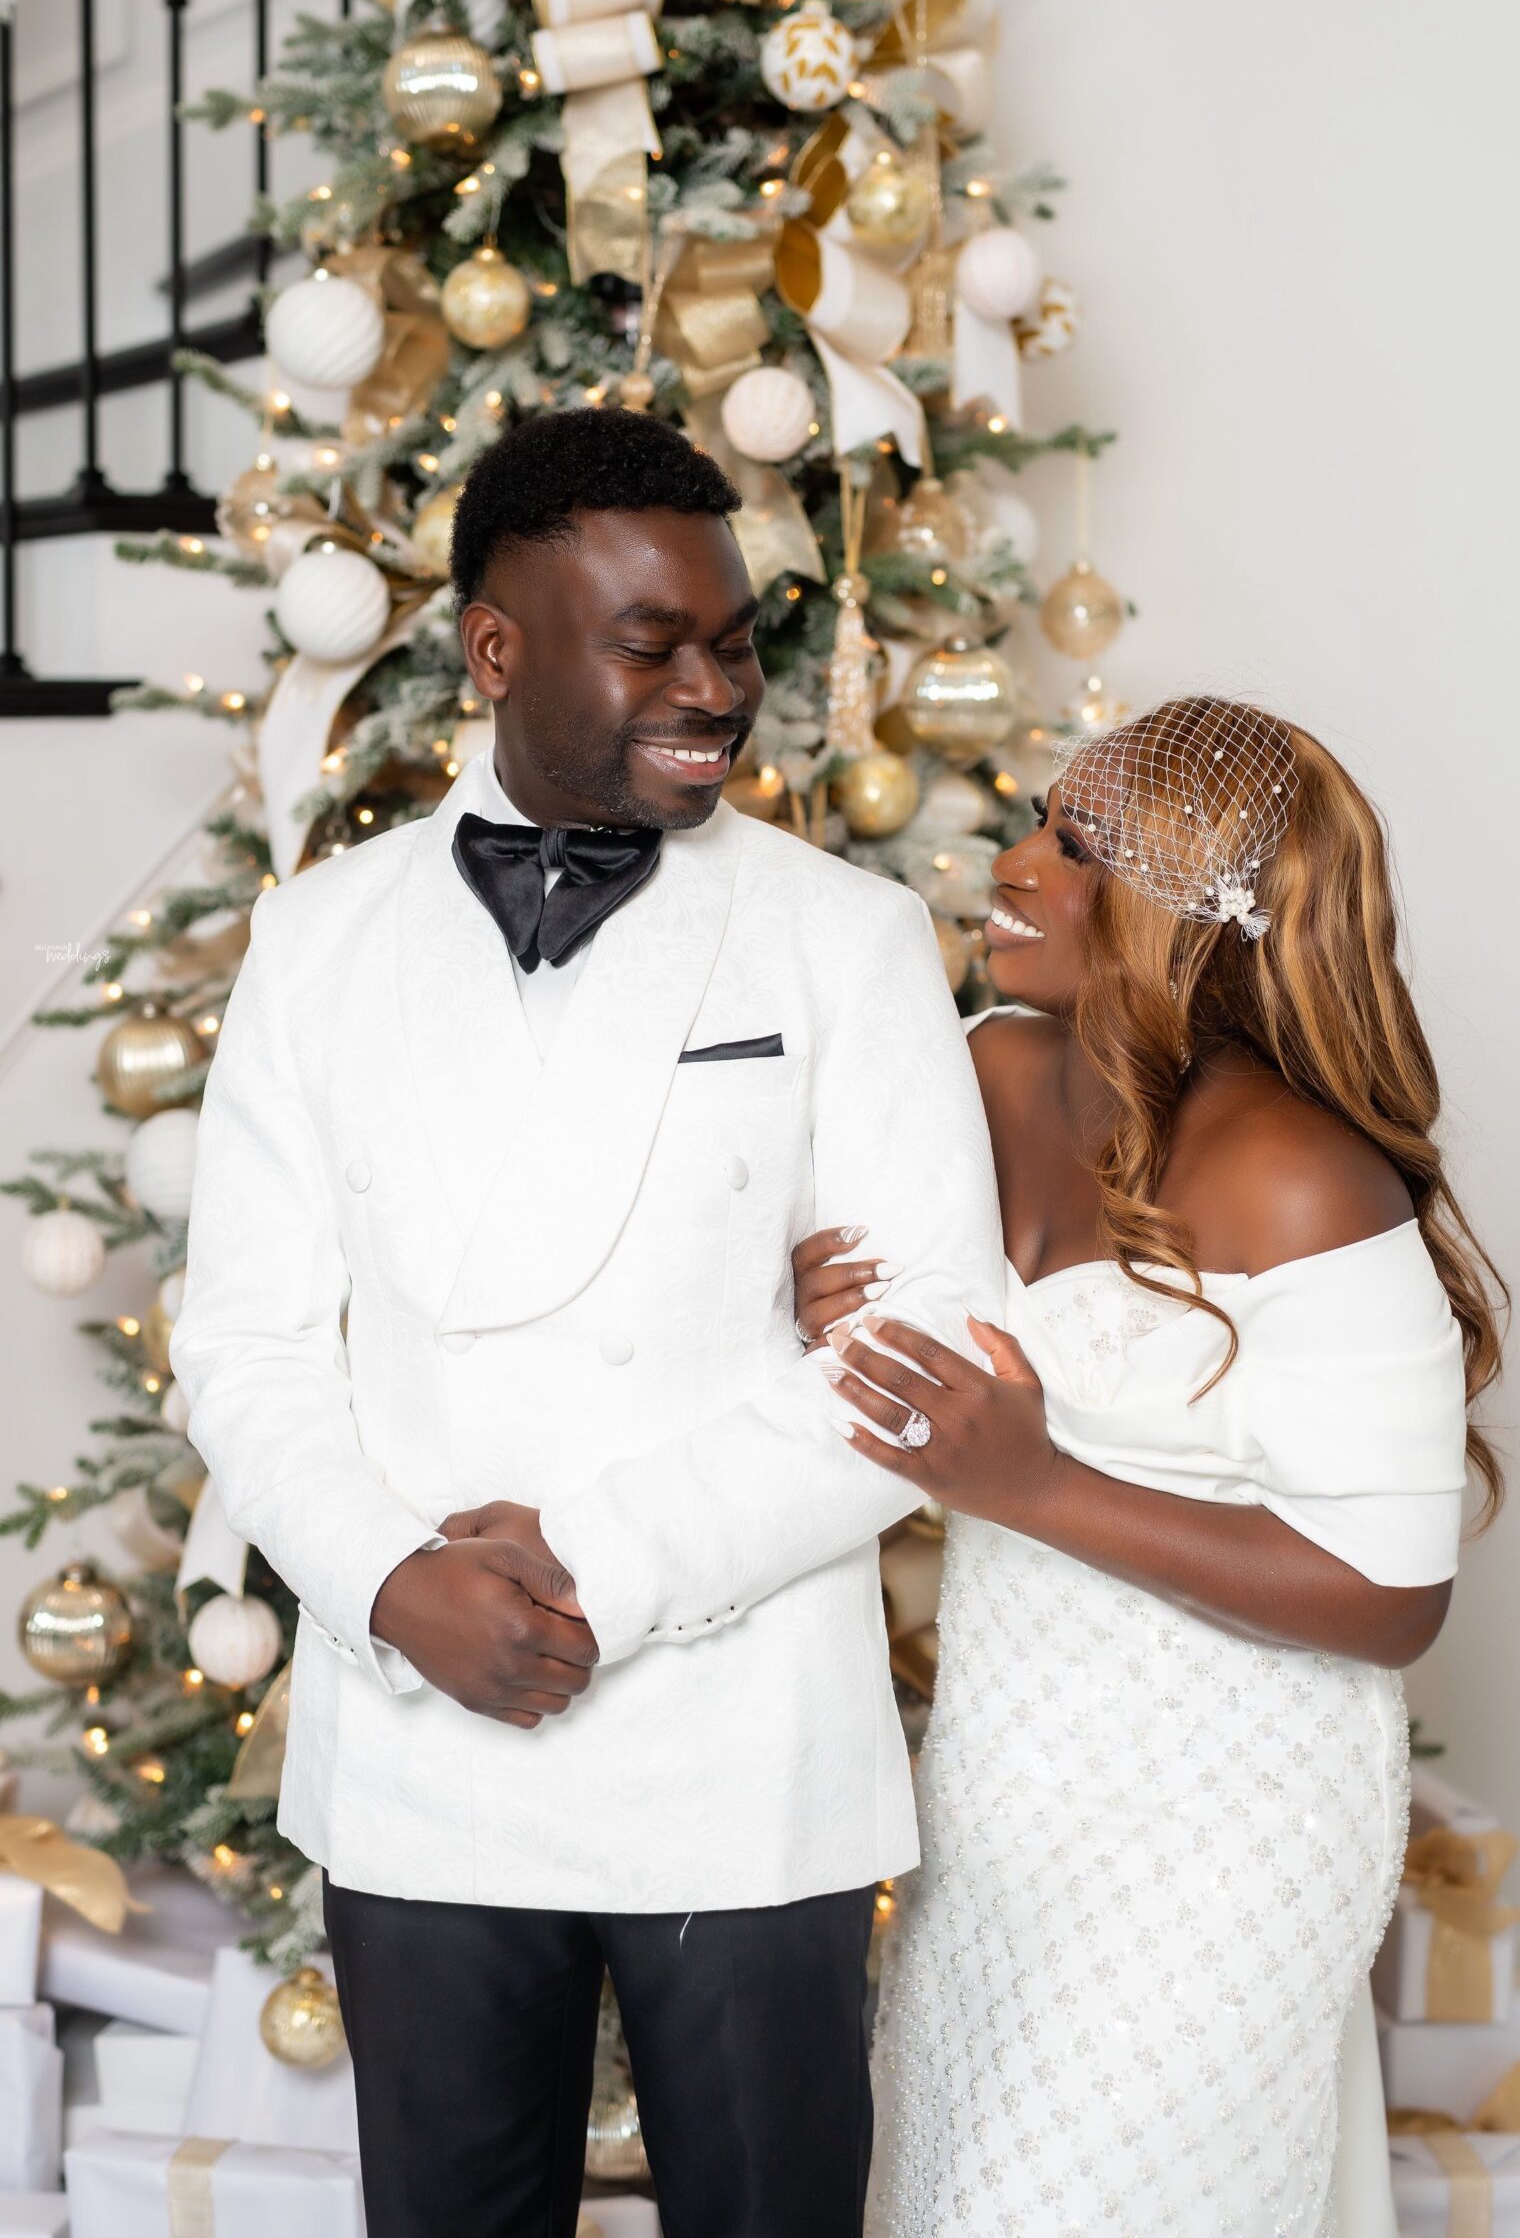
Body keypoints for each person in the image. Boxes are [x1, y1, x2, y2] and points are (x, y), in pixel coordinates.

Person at [169, 405, 1005, 2238]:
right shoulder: (317, 941)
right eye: (652, 645)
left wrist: (602, 1568)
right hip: (422, 1734)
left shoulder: (846, 938)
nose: (716, 690)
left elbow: (931, 1343)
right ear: (495, 649)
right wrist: (393, 1581)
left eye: (736, 642)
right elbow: (243, 1341)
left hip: (739, 1734)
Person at [793, 696, 1504, 2237]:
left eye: (1082, 849)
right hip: (1002, 1805)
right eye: (1038, 822)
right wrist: (804, 1300)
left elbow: (1392, 1596)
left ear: (1198, 909)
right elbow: (870, 1340)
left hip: (1226, 1835)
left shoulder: (1300, 1176)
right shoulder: (984, 1072)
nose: (1017, 863)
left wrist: (1036, 1484)